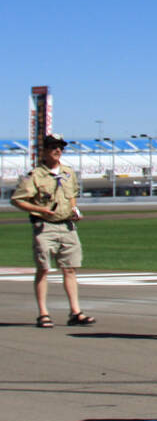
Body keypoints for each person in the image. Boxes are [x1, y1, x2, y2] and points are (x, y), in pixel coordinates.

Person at [10, 134, 95, 329]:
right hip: (45, 226)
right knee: (43, 269)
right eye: (53, 147)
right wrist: (40, 210)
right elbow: (17, 199)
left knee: (71, 268)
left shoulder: (68, 172)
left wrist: (74, 210)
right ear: (45, 150)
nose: (58, 150)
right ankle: (43, 313)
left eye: (60, 147)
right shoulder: (36, 176)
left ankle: (75, 312)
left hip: (67, 226)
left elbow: (72, 194)